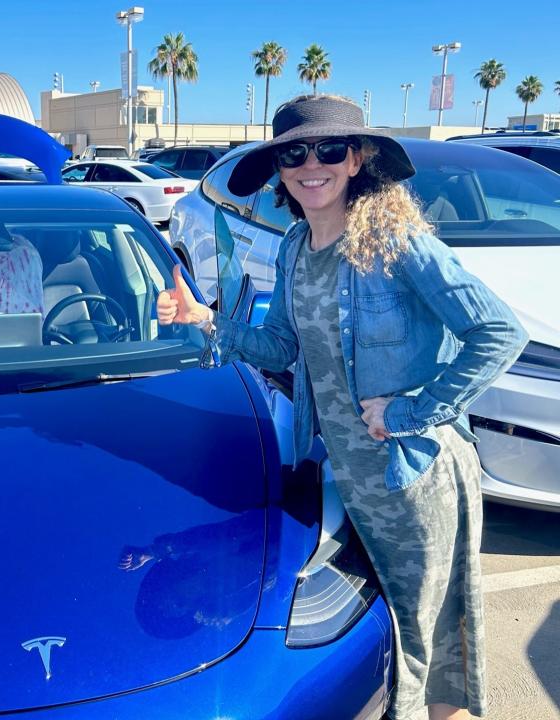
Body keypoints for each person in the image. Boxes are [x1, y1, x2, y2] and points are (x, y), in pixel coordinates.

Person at [158, 94, 528, 720]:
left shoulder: (396, 243)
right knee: (381, 627)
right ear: (278, 168)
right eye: (294, 153)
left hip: (412, 477)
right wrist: (206, 321)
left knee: (431, 639)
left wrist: (414, 411)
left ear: (356, 159)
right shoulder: (295, 247)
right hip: (342, 477)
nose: (312, 164)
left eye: (330, 149)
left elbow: (498, 332)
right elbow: (279, 345)